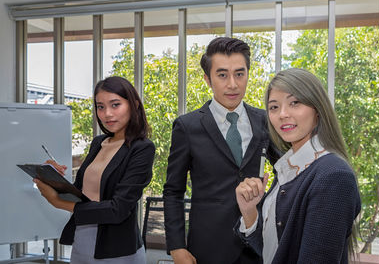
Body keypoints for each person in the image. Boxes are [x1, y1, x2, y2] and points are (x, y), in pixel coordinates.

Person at [163, 37, 280, 264]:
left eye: (239, 73)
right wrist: (176, 247)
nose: (233, 84)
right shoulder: (187, 127)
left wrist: (266, 204)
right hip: (206, 248)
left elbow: (284, 175)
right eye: (222, 75)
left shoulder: (265, 121)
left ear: (248, 74)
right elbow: (173, 191)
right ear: (208, 79)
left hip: (257, 245)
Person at [235, 68, 361, 263]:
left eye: (295, 103)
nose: (283, 114)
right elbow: (272, 250)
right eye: (274, 107)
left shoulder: (333, 175)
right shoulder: (289, 168)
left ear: (317, 109)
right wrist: (250, 211)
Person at [34, 76, 155, 263]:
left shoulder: (142, 148)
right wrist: (53, 178)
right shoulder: (98, 143)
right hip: (82, 240)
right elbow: (82, 193)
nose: (107, 114)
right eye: (100, 106)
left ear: (134, 105)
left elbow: (118, 209)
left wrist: (59, 203)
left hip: (117, 250)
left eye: (115, 105)